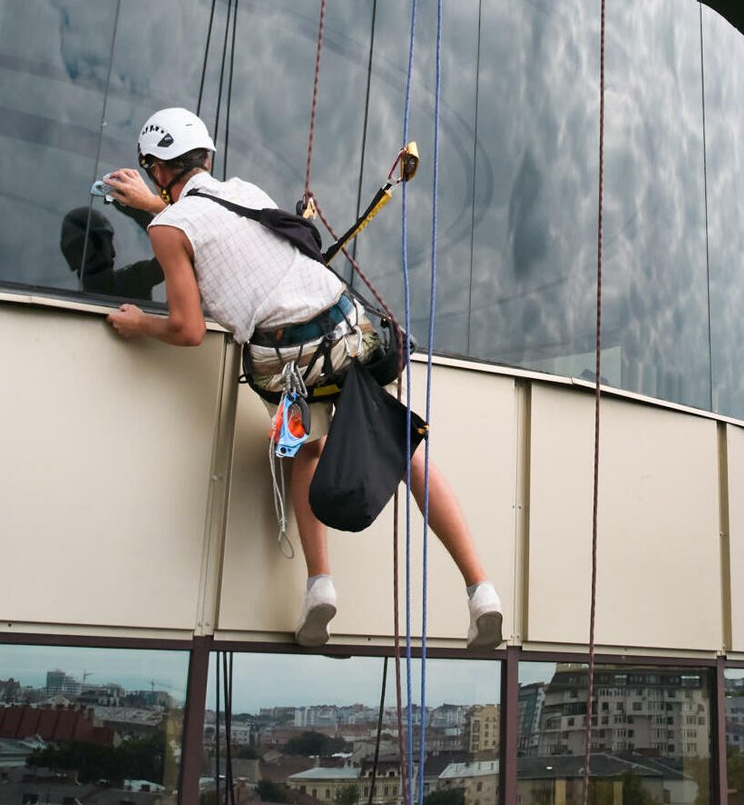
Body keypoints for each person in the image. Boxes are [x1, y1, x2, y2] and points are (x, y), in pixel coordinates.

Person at [101, 106, 503, 651]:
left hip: (285, 363)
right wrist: (157, 207)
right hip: (343, 330)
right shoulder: (244, 188)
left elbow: (188, 328)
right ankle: (481, 591)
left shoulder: (170, 229)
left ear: (155, 168)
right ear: (208, 157)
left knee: (302, 452)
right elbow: (225, 227)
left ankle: (320, 585)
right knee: (405, 449)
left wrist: (139, 324)